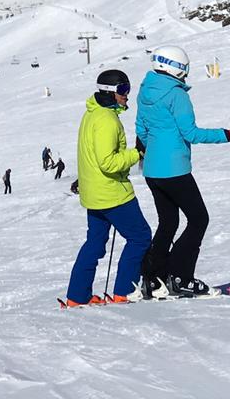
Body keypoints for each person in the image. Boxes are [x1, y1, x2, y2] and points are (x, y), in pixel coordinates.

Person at [134, 45, 230, 299]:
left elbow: (141, 130)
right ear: (178, 69)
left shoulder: (145, 89)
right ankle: (180, 276)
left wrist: (156, 152)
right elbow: (191, 133)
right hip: (175, 169)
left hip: (153, 170)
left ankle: (153, 277)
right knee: (198, 219)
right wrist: (229, 134)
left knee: (168, 222)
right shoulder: (176, 95)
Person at [63, 69, 152, 307]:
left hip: (94, 193)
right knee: (140, 237)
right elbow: (108, 162)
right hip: (112, 192)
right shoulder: (107, 120)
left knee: (95, 242)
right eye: (123, 90)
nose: (127, 96)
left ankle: (77, 296)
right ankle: (125, 291)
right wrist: (137, 153)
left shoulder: (91, 114)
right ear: (110, 93)